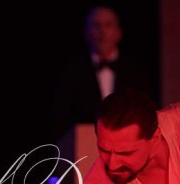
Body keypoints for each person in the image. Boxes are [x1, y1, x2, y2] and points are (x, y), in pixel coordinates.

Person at [52, 6, 153, 138]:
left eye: (108, 25)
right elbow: (61, 119)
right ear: (86, 33)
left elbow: (145, 113)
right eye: (96, 25)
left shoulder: (136, 73)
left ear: (118, 32)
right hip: (85, 144)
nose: (102, 31)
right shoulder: (72, 74)